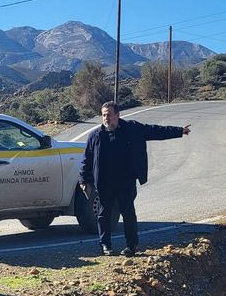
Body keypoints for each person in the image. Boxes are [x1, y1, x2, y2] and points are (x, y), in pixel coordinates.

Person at [79, 101, 190, 257]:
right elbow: (86, 159)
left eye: (109, 115)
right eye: (104, 115)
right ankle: (106, 245)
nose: (106, 118)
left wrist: (179, 131)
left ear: (118, 115)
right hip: (104, 182)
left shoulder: (132, 128)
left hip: (125, 181)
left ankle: (131, 246)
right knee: (104, 215)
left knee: (128, 213)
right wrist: (83, 180)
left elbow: (154, 131)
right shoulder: (95, 136)